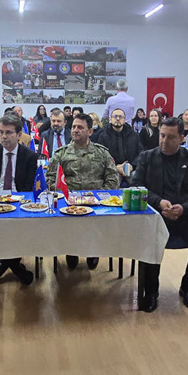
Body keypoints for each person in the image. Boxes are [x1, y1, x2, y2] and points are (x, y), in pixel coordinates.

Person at [132, 116, 188, 312]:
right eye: (162, 135)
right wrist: (158, 202)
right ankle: (151, 291)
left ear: (182, 138)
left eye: (170, 137)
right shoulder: (147, 157)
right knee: (149, 241)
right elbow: (136, 185)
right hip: (157, 215)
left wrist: (184, 208)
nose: (164, 141)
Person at [47, 113, 118, 270]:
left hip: (97, 203)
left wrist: (100, 197)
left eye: (80, 127)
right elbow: (50, 179)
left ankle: (93, 251)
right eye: (73, 127)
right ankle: (71, 251)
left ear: (90, 131)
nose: (75, 130)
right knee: (70, 225)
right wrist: (63, 196)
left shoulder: (102, 153)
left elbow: (113, 178)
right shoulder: (61, 153)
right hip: (69, 204)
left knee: (95, 226)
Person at [0, 115, 38, 285]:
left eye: (9, 132)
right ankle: (14, 266)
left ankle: (4, 264)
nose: (3, 136)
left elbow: (28, 188)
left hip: (19, 203)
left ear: (19, 135)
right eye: (1, 132)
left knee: (18, 227)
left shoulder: (29, 156)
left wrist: (14, 201)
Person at [93, 108, 143, 187]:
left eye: (120, 117)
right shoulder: (103, 135)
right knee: (112, 183)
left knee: (139, 184)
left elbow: (140, 153)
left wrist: (132, 166)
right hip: (112, 169)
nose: (118, 119)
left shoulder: (133, 135)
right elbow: (100, 156)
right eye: (115, 116)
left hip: (131, 168)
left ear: (124, 119)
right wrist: (115, 167)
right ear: (111, 119)